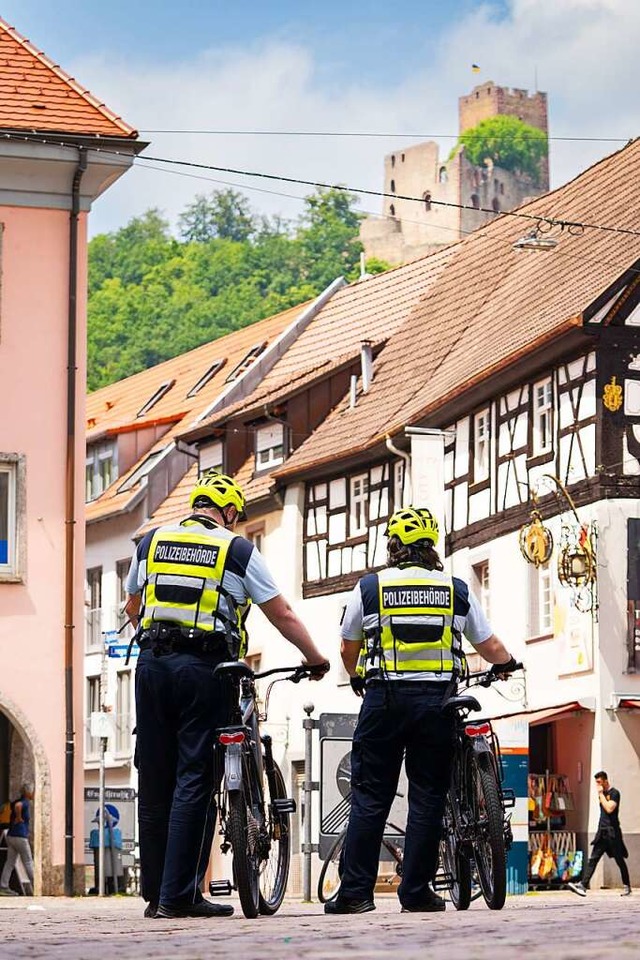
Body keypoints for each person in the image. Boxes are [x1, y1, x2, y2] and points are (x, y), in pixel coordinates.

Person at [124, 470, 329, 920]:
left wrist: (157, 636)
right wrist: (314, 657)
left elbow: (133, 606)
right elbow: (282, 613)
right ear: (230, 512)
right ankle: (179, 896)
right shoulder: (236, 549)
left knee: (156, 776)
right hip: (205, 668)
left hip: (152, 666)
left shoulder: (151, 542)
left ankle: (157, 895)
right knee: (194, 777)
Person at [324, 506, 519, 915]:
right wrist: (505, 664)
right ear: (431, 547)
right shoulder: (455, 589)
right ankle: (416, 890)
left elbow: (348, 645)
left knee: (371, 796)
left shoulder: (370, 587)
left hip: (385, 701)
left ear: (393, 547)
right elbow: (489, 644)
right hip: (438, 702)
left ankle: (355, 893)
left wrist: (358, 674)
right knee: (428, 797)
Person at [568, 771, 632, 897]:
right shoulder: (602, 795)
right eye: (596, 782)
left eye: (599, 782)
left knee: (619, 860)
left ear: (605, 781)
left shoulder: (614, 793)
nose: (597, 785)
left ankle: (627, 886)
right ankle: (583, 885)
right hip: (602, 833)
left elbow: (609, 808)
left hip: (612, 833)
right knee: (593, 859)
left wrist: (601, 794)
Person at [0, 782, 35, 896]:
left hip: (11, 835)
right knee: (28, 862)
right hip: (20, 837)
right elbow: (18, 806)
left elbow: (15, 805)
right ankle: (37, 884)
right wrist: (19, 817)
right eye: (32, 791)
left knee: (10, 862)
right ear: (28, 793)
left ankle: (3, 886)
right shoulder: (24, 802)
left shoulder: (18, 800)